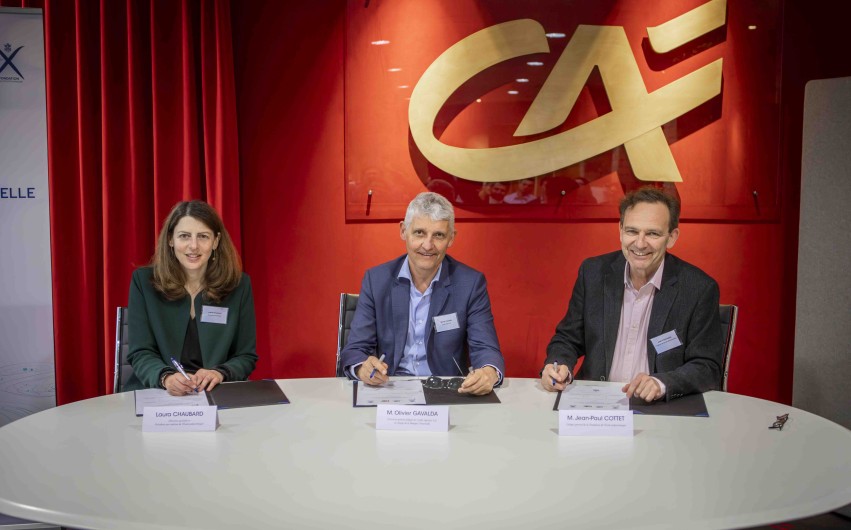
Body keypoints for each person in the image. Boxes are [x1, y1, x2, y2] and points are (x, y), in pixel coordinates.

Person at [541, 187, 722, 401]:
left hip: (661, 408)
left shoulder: (698, 288)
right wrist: (558, 365)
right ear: (620, 230)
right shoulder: (594, 273)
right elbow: (568, 338)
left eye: (652, 233)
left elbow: (707, 367)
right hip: (596, 403)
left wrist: (662, 383)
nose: (640, 243)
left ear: (672, 237)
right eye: (632, 231)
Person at [340, 192, 505, 395]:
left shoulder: (470, 283)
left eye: (438, 235)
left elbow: (486, 348)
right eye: (419, 233)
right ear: (403, 231)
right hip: (388, 387)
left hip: (447, 389)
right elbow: (355, 349)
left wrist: (488, 372)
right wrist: (362, 367)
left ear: (451, 238)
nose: (428, 246)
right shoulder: (377, 280)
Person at [125, 200, 258, 395]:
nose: (193, 246)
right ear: (171, 239)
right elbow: (140, 352)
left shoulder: (239, 285)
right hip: (159, 393)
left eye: (203, 236)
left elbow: (246, 356)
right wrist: (166, 377)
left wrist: (219, 373)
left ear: (216, 241)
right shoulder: (144, 282)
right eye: (184, 236)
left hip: (217, 394)